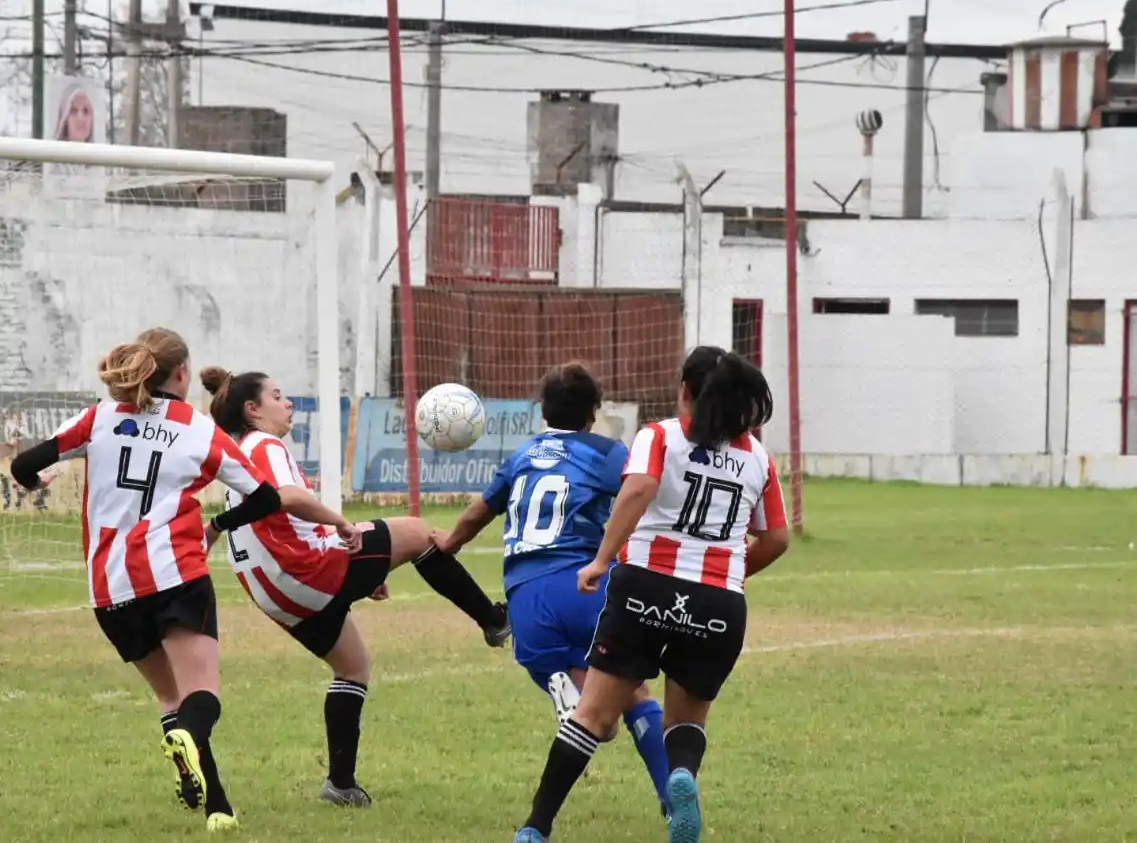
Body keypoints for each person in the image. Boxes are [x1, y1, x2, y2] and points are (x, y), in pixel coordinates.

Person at [8, 328, 360, 834]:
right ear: (180, 374)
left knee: (171, 699)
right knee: (203, 697)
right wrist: (217, 519)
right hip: (175, 573)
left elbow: (23, 464)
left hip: (110, 589)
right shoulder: (197, 429)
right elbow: (264, 497)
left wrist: (35, 482)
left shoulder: (99, 418)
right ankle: (192, 749)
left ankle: (214, 802)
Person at [511, 346, 791, 843]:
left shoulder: (660, 436)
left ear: (685, 390)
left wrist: (600, 560)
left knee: (592, 713)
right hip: (718, 603)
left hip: (645, 586)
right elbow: (777, 538)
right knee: (686, 719)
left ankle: (536, 827)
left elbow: (639, 489)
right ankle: (680, 774)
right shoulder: (758, 458)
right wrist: (732, 573)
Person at [199, 365, 512, 808]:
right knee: (421, 535)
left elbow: (274, 520)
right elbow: (287, 498)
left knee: (353, 668)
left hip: (275, 592)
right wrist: (343, 523)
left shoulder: (240, 452)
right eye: (277, 395)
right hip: (305, 571)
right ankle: (495, 620)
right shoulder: (263, 444)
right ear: (252, 410)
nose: (287, 403)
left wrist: (363, 572)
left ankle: (340, 785)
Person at [435, 362, 673, 819]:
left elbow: (476, 514)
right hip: (586, 587)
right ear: (594, 412)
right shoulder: (607, 452)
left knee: (594, 718)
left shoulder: (523, 456)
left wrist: (449, 544)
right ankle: (671, 799)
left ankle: (564, 693)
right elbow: (642, 492)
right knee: (633, 695)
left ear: (542, 410)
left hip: (525, 597)